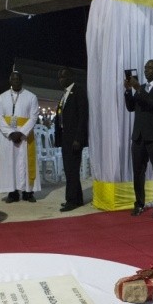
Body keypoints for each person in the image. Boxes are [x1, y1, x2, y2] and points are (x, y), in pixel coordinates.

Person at [124, 59, 153, 218]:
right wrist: (129, 90)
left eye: (150, 67)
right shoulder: (141, 88)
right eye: (145, 68)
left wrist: (138, 89)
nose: (146, 70)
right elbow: (131, 107)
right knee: (138, 172)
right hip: (138, 136)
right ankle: (139, 204)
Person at [0, 70, 40, 203]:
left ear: (22, 81)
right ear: (10, 81)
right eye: (13, 79)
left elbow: (33, 117)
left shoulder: (31, 97)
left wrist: (21, 133)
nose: (16, 81)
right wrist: (10, 133)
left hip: (25, 137)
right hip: (8, 137)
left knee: (26, 163)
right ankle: (12, 192)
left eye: (18, 79)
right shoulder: (2, 97)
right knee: (10, 164)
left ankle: (28, 192)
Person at [55, 67, 89, 212]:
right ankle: (78, 199)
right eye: (59, 77)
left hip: (74, 138)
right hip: (65, 137)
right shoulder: (65, 95)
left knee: (72, 170)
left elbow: (83, 116)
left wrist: (78, 138)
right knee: (70, 170)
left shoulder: (79, 91)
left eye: (63, 77)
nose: (60, 80)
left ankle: (71, 201)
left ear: (71, 77)